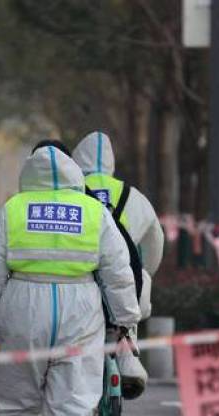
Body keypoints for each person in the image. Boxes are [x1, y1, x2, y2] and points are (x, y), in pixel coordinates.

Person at [0, 144, 140, 416]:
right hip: (80, 309)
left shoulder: (12, 211)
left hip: (23, 305)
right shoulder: (94, 212)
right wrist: (126, 319)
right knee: (75, 396)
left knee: (17, 394)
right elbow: (118, 272)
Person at [72, 131, 164, 399]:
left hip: (82, 283)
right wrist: (146, 270)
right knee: (132, 287)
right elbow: (154, 242)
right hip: (126, 284)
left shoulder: (70, 193)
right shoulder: (133, 196)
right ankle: (128, 359)